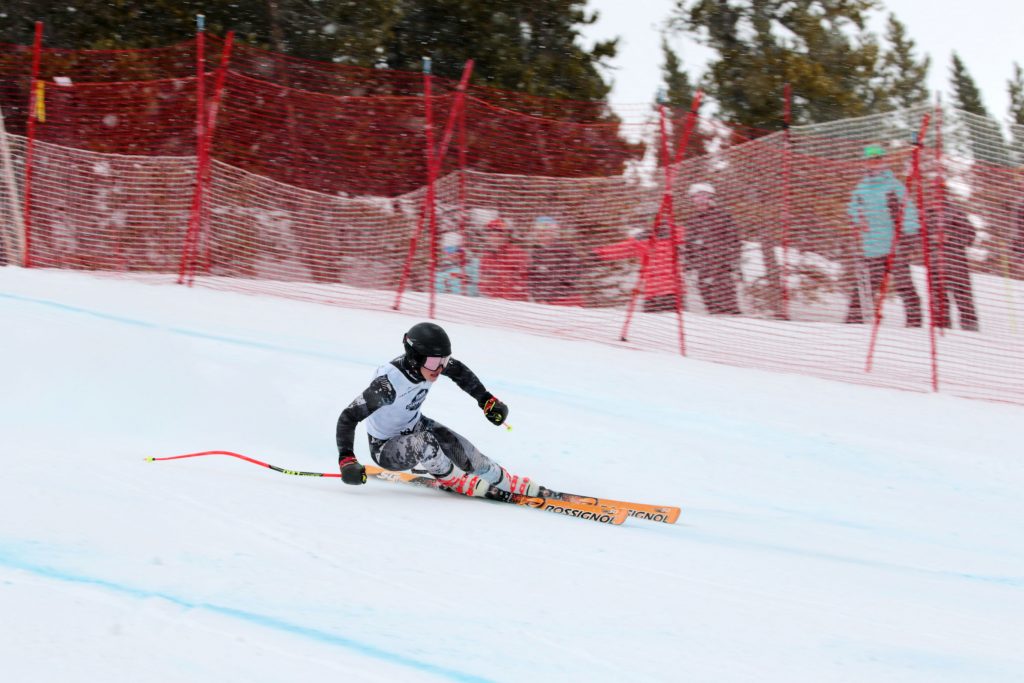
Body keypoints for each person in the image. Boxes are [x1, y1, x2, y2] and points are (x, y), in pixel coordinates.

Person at [336, 322, 539, 498]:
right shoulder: (387, 385)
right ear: (415, 357)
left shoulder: (430, 365)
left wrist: (486, 400)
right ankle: (456, 480)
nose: (440, 368)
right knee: (426, 444)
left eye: (444, 360)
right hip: (385, 448)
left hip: (415, 426)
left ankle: (504, 481)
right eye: (435, 362)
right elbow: (348, 417)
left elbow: (458, 371)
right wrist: (347, 460)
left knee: (463, 450)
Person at [844, 145, 923, 327]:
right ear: (865, 163)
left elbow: (908, 211)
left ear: (884, 161)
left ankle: (914, 325)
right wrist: (858, 218)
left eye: (878, 159)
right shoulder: (861, 188)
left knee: (905, 286)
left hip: (895, 245)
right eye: (871, 160)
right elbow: (853, 208)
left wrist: (910, 236)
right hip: (872, 246)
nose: (874, 163)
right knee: (864, 288)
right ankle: (852, 324)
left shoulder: (894, 185)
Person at [594, 222, 681, 312]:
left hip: (658, 292)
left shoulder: (643, 240)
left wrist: (598, 254)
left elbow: (621, 249)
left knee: (655, 322)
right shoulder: (675, 236)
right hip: (670, 293)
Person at [685, 183, 743, 315]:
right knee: (710, 305)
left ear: (710, 197)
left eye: (703, 195)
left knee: (725, 305)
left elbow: (734, 241)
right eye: (696, 196)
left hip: (721, 268)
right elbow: (689, 246)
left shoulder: (723, 217)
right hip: (702, 269)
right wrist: (689, 267)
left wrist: (731, 262)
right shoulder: (692, 221)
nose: (700, 199)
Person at [926, 188, 979, 331]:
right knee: (938, 297)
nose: (936, 197)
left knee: (962, 296)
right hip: (935, 263)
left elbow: (970, 235)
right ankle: (941, 327)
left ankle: (970, 328)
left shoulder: (956, 213)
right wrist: (931, 239)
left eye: (939, 194)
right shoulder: (926, 214)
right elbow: (919, 236)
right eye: (933, 194)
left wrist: (950, 237)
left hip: (956, 261)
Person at [526, 216, 585, 306]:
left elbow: (573, 273)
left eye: (546, 230)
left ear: (553, 232)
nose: (542, 234)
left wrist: (551, 295)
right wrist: (539, 298)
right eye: (539, 231)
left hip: (566, 300)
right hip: (544, 303)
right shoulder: (535, 253)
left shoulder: (565, 249)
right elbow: (533, 279)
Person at [477, 217, 530, 301]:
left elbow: (525, 278)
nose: (494, 238)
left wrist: (512, 294)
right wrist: (489, 294)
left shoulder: (517, 253)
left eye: (498, 235)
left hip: (516, 301)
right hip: (495, 302)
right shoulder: (485, 257)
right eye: (491, 236)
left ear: (504, 236)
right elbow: (482, 283)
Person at [434, 232, 480, 296]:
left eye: (452, 249)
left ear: (460, 249)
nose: (450, 254)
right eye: (447, 249)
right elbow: (437, 290)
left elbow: (479, 285)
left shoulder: (473, 264)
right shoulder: (442, 270)